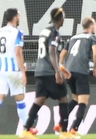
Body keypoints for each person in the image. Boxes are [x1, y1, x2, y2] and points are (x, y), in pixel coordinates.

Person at [20, 8, 72, 139]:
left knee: (40, 99)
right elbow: (52, 51)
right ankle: (64, 132)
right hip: (49, 71)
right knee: (63, 98)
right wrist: (57, 71)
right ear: (61, 19)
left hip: (40, 70)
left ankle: (26, 130)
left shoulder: (44, 31)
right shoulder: (54, 32)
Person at [0, 8, 29, 136]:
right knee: (20, 99)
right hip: (13, 70)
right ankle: (27, 128)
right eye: (19, 15)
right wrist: (22, 71)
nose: (20, 17)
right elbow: (17, 53)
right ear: (15, 17)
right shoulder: (18, 32)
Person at [58, 16, 96, 137]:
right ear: (91, 26)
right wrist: (95, 67)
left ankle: (61, 123)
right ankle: (73, 129)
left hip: (69, 72)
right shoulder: (92, 37)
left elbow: (62, 55)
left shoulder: (73, 38)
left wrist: (62, 66)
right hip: (81, 71)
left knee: (75, 99)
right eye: (95, 25)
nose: (95, 27)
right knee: (83, 102)